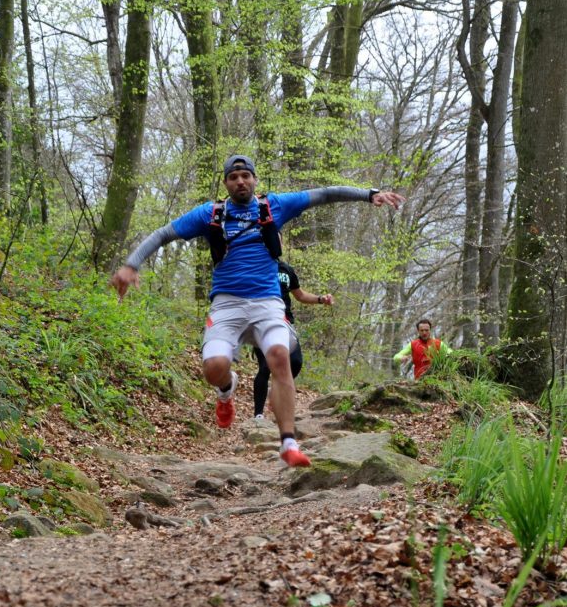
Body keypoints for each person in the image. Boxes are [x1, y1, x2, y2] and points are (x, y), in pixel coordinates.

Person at [111, 154, 405, 468]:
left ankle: (288, 442)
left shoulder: (275, 205)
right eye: (233, 177)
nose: (240, 181)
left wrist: (368, 194)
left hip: (267, 301)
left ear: (254, 179)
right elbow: (163, 234)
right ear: (226, 183)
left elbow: (324, 194)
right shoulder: (210, 214)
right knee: (213, 368)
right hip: (226, 303)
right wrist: (131, 264)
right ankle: (226, 389)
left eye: (245, 176)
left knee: (279, 355)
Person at [253, 259, 333, 420]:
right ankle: (258, 415)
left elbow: (300, 295)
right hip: (261, 321)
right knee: (265, 367)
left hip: (285, 322)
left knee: (296, 362)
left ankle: (275, 390)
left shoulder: (286, 269)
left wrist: (320, 299)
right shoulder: (255, 264)